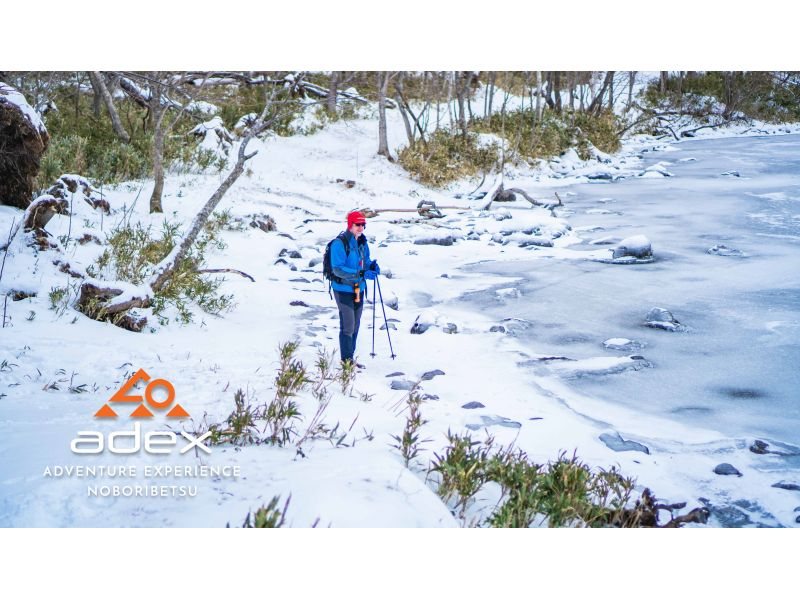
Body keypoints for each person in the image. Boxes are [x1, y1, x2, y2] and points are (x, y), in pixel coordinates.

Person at [330, 210, 380, 369]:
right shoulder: (339, 243)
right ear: (350, 224)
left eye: (363, 225)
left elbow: (365, 263)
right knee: (348, 324)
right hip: (343, 288)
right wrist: (360, 273)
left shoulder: (362, 243)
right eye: (357, 224)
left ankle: (350, 358)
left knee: (356, 324)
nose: (360, 228)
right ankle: (346, 362)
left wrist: (371, 267)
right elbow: (337, 269)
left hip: (359, 288)